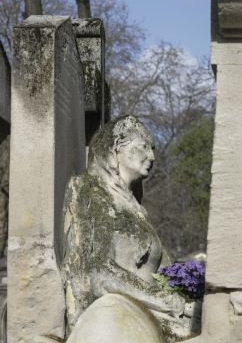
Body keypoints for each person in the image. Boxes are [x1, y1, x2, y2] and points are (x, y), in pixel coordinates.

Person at [60, 115, 196, 342]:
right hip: (122, 315)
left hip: (157, 311)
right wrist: (167, 301)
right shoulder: (90, 191)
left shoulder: (136, 208)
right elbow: (97, 270)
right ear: (116, 148)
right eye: (143, 147)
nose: (152, 156)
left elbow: (168, 272)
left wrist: (189, 292)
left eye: (152, 148)